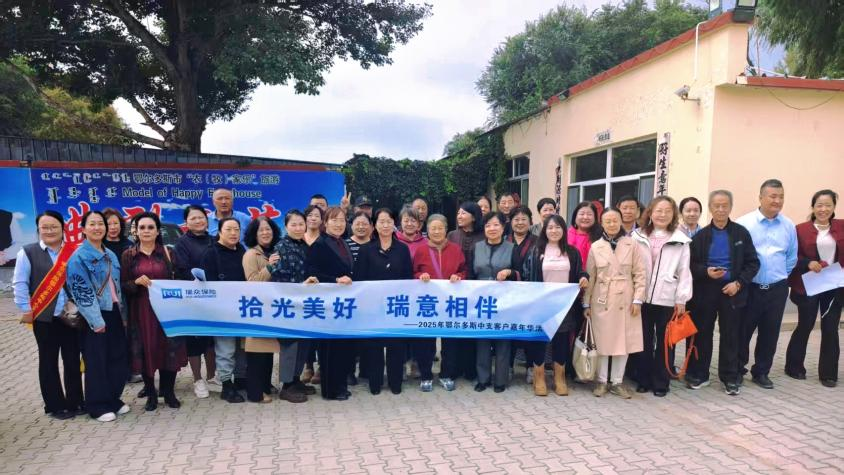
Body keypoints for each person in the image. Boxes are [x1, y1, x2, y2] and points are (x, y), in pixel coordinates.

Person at [686, 191, 760, 396]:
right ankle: (700, 374)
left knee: (731, 335)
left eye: (724, 205)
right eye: (716, 206)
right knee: (702, 334)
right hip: (705, 291)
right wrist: (706, 272)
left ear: (730, 207)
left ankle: (730, 377)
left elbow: (753, 263)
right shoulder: (700, 237)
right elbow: (690, 265)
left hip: (732, 291)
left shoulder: (741, 234)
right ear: (710, 208)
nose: (720, 209)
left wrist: (739, 283)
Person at [13, 210, 83, 420]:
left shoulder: (74, 251)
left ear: (63, 228)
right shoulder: (28, 252)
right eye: (45, 227)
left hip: (72, 316)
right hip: (44, 317)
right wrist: (26, 309)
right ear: (38, 230)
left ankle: (75, 401)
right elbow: (20, 283)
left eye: (54, 227)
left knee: (72, 359)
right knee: (48, 361)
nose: (50, 231)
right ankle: (55, 405)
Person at [66, 210, 129, 422]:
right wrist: (96, 320)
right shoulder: (79, 258)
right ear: (83, 229)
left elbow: (117, 288)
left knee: (117, 357)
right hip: (94, 315)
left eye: (100, 223)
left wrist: (123, 314)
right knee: (96, 360)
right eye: (92, 224)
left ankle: (112, 398)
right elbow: (82, 292)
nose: (97, 228)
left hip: (114, 311)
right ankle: (97, 405)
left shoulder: (110, 254)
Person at [121, 212, 187, 411]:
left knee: (169, 350)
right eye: (142, 227)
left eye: (151, 227)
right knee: (146, 350)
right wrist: (135, 282)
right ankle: (151, 394)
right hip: (141, 311)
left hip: (167, 311)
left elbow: (181, 279)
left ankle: (169, 392)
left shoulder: (169, 253)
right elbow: (123, 285)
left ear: (158, 231)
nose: (146, 231)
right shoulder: (129, 255)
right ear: (136, 231)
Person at [736, 179, 798, 389]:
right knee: (743, 331)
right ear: (761, 197)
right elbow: (739, 256)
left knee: (770, 333)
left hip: (777, 289)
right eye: (773, 196)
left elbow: (791, 257)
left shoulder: (788, 225)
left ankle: (761, 372)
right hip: (750, 287)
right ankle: (737, 369)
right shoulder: (745, 223)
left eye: (781, 197)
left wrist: (778, 276)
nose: (777, 201)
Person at [630, 196, 693, 397]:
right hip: (641, 298)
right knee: (644, 341)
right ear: (650, 212)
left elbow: (684, 271)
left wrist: (681, 298)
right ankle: (643, 379)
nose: (662, 214)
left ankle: (661, 382)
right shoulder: (637, 236)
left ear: (674, 214)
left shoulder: (680, 239)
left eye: (667, 211)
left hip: (667, 298)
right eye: (658, 210)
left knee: (666, 343)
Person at [522, 214, 588, 396]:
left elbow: (580, 271)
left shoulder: (572, 252)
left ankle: (560, 378)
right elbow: (527, 275)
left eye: (558, 227)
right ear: (544, 230)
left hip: (564, 304)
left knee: (561, 341)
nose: (554, 231)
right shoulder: (536, 251)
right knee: (540, 341)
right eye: (550, 227)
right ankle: (539, 377)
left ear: (564, 230)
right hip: (541, 304)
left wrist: (584, 277)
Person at [584, 208, 647, 398]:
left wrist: (638, 299)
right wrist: (586, 303)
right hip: (602, 298)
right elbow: (591, 277)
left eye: (615, 220)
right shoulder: (596, 246)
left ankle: (618, 381)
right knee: (602, 341)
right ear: (601, 223)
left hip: (626, 299)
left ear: (621, 221)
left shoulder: (631, 244)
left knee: (623, 341)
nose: (612, 224)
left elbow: (640, 273)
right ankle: (602, 381)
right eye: (608, 221)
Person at [785, 189, 843, 388]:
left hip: (834, 285)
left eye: (828, 205)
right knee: (805, 324)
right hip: (809, 284)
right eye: (819, 205)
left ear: (834, 207)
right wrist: (808, 263)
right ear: (813, 207)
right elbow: (793, 256)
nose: (823, 209)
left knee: (830, 328)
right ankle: (794, 366)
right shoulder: (800, 229)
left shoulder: (842, 226)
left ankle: (828, 374)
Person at [354, 208, 414, 395]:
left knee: (396, 346)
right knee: (374, 347)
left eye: (389, 221)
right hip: (373, 308)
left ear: (394, 224)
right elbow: (359, 279)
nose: (385, 225)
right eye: (381, 222)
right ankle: (375, 383)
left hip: (396, 306)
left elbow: (408, 278)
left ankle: (395, 383)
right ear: (374, 226)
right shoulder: (366, 250)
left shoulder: (402, 249)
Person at [305, 206, 355, 401]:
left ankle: (340, 385)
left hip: (343, 304)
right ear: (325, 223)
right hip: (327, 304)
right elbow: (311, 272)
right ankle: (330, 390)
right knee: (329, 348)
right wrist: (335, 280)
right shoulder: (319, 245)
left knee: (342, 347)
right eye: (334, 220)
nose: (339, 224)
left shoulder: (343, 243)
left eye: (342, 220)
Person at [413, 214, 467, 392]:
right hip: (428, 303)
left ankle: (446, 375)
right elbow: (413, 272)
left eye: (440, 228)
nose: (436, 231)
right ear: (427, 230)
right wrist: (420, 276)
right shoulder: (421, 250)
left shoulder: (456, 249)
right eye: (433, 228)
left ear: (446, 229)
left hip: (450, 303)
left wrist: (458, 276)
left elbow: (464, 270)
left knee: (449, 342)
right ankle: (426, 376)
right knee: (426, 342)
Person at [272, 210, 319, 403]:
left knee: (303, 343)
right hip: (289, 304)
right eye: (294, 224)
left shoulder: (304, 245)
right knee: (290, 345)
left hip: (304, 303)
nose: (298, 228)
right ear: (286, 226)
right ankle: (286, 385)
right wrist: (301, 284)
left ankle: (296, 379)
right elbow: (278, 276)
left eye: (301, 224)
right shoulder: (281, 247)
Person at [200, 217, 248, 403]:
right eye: (229, 229)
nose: (233, 233)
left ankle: (241, 379)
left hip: (242, 307)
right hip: (222, 310)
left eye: (236, 229)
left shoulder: (242, 251)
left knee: (242, 347)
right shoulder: (211, 253)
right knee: (225, 348)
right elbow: (208, 285)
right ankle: (226, 385)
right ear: (219, 231)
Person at [471, 211, 518, 393]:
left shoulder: (512, 248)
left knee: (502, 340)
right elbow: (470, 274)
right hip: (481, 301)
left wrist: (509, 272)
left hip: (504, 301)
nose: (492, 228)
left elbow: (520, 273)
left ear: (503, 227)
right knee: (482, 339)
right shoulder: (476, 247)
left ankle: (500, 380)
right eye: (488, 225)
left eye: (496, 225)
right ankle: (483, 379)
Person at [173, 204, 217, 397]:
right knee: (195, 340)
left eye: (201, 217)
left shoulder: (214, 239)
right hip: (193, 299)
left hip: (214, 297)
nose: (198, 221)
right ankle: (198, 380)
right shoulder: (181, 243)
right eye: (193, 218)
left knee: (212, 340)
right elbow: (181, 269)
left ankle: (212, 377)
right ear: (186, 222)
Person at [242, 216, 282, 403]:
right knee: (256, 352)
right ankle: (255, 393)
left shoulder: (273, 252)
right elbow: (252, 282)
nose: (266, 233)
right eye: (261, 230)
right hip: (257, 309)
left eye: (268, 229)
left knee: (267, 351)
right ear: (254, 234)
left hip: (271, 309)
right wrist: (269, 267)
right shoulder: (251, 254)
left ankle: (265, 386)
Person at [446, 201, 484, 381]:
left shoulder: (483, 235)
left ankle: (471, 369)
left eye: (463, 213)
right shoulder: (452, 235)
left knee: (472, 329)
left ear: (474, 217)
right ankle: (454, 368)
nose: (459, 216)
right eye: (458, 213)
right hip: (455, 288)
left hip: (477, 289)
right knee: (455, 330)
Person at [344, 211, 373, 384]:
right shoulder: (344, 244)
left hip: (370, 298)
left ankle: (366, 370)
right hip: (349, 298)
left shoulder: (376, 244)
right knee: (350, 337)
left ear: (371, 226)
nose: (361, 227)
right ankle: (348, 371)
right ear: (351, 225)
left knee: (368, 336)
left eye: (365, 224)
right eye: (357, 223)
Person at [301, 204, 325, 384]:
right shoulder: (298, 238)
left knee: (321, 329)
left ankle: (321, 367)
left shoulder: (326, 240)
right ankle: (308, 365)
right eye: (310, 215)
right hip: (302, 290)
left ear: (322, 220)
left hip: (323, 290)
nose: (313, 218)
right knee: (306, 329)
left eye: (317, 215)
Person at [568, 201, 602, 265]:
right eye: (582, 214)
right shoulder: (565, 235)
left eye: (589, 214)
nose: (585, 217)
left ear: (595, 218)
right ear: (575, 216)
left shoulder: (601, 236)